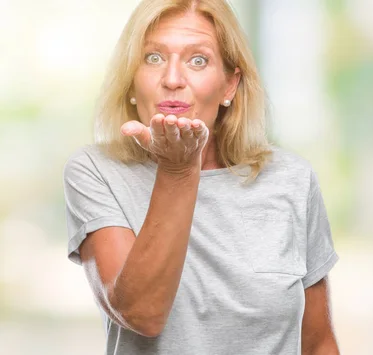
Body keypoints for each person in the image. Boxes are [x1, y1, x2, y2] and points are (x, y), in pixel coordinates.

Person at [62, 0, 340, 354]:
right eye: (154, 58)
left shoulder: (291, 179)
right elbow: (140, 313)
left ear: (229, 86)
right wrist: (178, 169)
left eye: (198, 60)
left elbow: (318, 343)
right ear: (131, 80)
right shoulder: (96, 171)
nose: (173, 79)